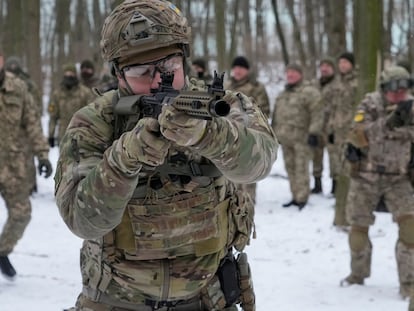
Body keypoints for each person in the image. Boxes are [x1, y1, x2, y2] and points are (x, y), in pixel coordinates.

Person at [54, 1, 278, 310]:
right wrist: (124, 160)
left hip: (208, 298)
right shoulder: (94, 122)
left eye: (169, 66)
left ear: (184, 58)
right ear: (119, 75)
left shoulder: (220, 104)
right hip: (117, 301)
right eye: (143, 71)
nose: (161, 80)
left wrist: (208, 135)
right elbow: (83, 221)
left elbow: (260, 162)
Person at [340, 66, 414, 305]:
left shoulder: (410, 106)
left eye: (403, 89)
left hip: (398, 178)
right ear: (384, 88)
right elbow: (358, 135)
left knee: (411, 230)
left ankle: (409, 283)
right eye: (394, 89)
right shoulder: (370, 104)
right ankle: (358, 274)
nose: (398, 94)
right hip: (366, 177)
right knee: (358, 232)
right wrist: (390, 123)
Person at [0, 49, 53, 280]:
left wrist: (42, 154)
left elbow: (32, 123)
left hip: (13, 165)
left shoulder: (18, 88)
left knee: (22, 214)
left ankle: (2, 251)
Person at [271, 63, 323, 210]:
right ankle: (295, 195)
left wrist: (314, 132)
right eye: (288, 72)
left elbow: (317, 113)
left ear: (300, 74)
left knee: (301, 169)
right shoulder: (283, 94)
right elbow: (276, 116)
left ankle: (302, 197)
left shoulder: (309, 92)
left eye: (293, 72)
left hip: (303, 139)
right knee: (290, 168)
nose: (290, 75)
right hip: (285, 139)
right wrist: (274, 134)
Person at [226, 55, 271, 205]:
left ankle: (248, 203)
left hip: (249, 135)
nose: (237, 71)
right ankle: (232, 201)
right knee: (229, 168)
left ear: (247, 70)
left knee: (249, 169)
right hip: (228, 135)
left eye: (241, 68)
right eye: (235, 68)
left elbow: (264, 111)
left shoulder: (256, 87)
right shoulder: (227, 86)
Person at [5, 56, 43, 194]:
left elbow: (36, 103)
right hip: (8, 125)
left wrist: (34, 119)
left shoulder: (28, 84)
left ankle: (31, 184)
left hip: (26, 124)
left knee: (27, 156)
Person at [329, 51, 358, 229]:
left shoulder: (357, 83)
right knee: (340, 171)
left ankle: (350, 212)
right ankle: (342, 210)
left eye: (346, 62)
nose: (342, 65)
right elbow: (333, 108)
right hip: (338, 134)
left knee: (350, 171)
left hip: (353, 133)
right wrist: (331, 128)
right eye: (340, 62)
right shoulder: (337, 83)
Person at [311, 57, 340, 194]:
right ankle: (317, 185)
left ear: (333, 69)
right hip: (316, 127)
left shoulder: (338, 85)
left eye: (327, 66)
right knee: (316, 156)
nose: (324, 68)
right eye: (322, 66)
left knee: (334, 158)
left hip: (332, 127)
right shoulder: (314, 85)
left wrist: (336, 127)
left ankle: (336, 186)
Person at [47, 64, 93, 148]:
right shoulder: (57, 94)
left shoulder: (85, 93)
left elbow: (92, 115)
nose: (69, 76)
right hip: (63, 136)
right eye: (67, 74)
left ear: (75, 75)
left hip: (81, 136)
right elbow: (53, 117)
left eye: (71, 74)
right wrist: (51, 135)